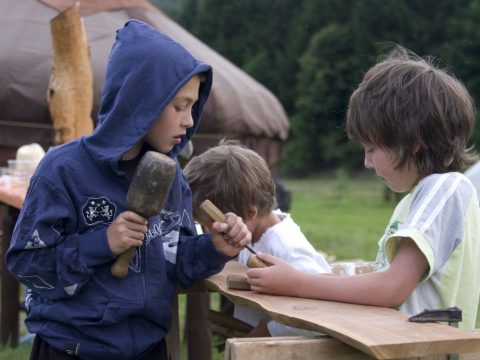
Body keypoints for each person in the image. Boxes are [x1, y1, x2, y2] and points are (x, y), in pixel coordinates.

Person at [5, 20, 251, 360]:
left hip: (147, 350)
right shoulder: (62, 171)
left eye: (193, 107)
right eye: (179, 106)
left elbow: (176, 267)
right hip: (71, 351)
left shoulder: (170, 178)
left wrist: (213, 248)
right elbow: (28, 264)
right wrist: (102, 243)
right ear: (141, 101)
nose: (190, 120)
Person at [247, 45, 480, 329]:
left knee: (272, 331)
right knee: (275, 328)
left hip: (416, 349)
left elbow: (392, 288)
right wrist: (298, 279)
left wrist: (296, 282)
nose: (367, 163)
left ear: (413, 142)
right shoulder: (418, 197)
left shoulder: (446, 188)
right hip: (397, 341)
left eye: (371, 150)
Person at [184, 140, 331, 337]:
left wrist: (268, 331)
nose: (209, 232)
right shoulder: (255, 233)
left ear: (249, 213)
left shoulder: (286, 248)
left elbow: (322, 314)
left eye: (211, 226)